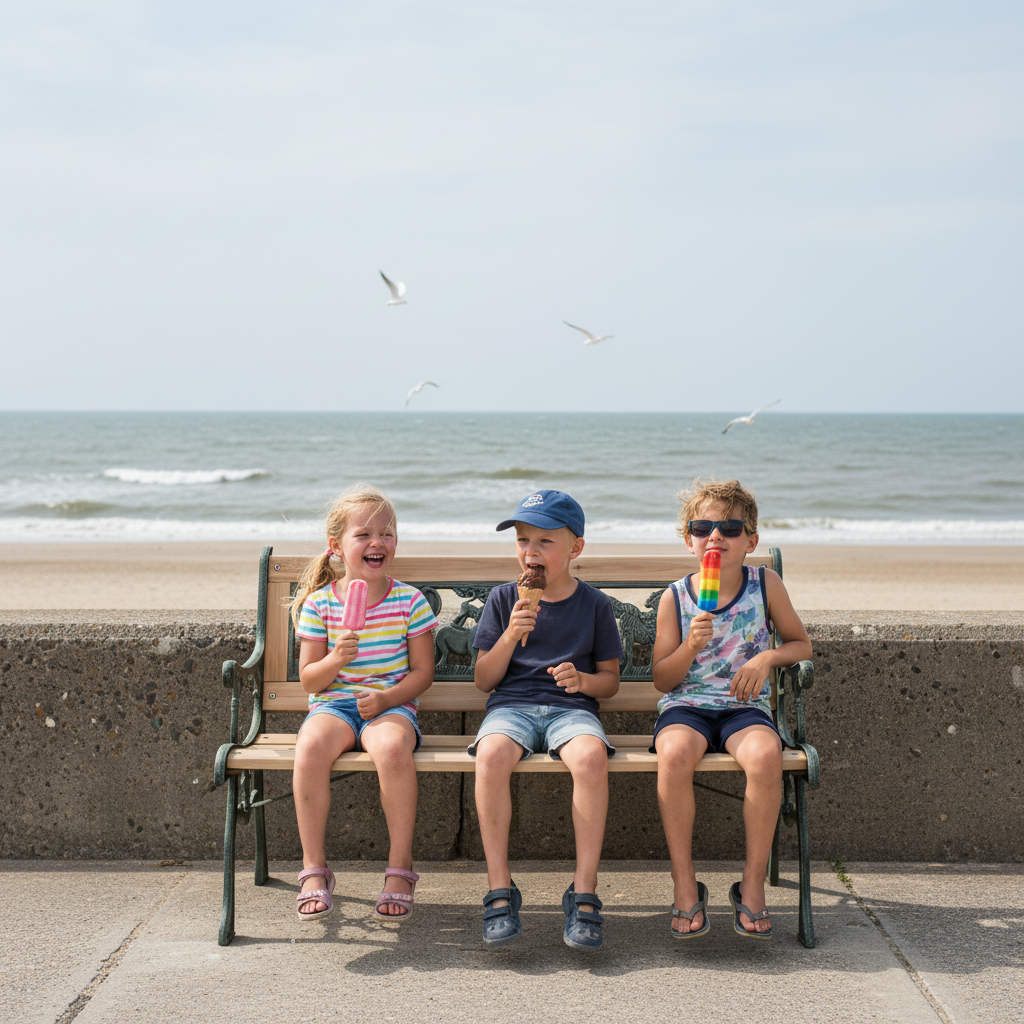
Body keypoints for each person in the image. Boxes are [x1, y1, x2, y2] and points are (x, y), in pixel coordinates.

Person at [652, 479, 811, 940]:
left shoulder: (765, 584)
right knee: (676, 754)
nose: (715, 537)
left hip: (744, 707)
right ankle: (685, 885)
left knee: (765, 757)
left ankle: (752, 885)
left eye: (730, 527)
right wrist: (689, 646)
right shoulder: (676, 597)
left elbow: (802, 645)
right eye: (703, 527)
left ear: (751, 541)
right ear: (689, 540)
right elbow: (663, 678)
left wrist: (766, 658)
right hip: (687, 704)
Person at [470, 490, 624, 950]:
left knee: (592, 758)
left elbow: (610, 681)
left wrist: (583, 681)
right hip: (511, 706)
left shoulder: (594, 605)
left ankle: (584, 891)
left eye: (544, 542)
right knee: (492, 754)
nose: (530, 553)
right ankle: (500, 889)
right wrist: (510, 636)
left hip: (570, 709)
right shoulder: (502, 600)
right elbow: (483, 679)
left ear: (575, 548)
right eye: (522, 541)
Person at [290, 485, 437, 923]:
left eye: (387, 533)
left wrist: (388, 698)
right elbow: (308, 679)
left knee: (392, 749)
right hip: (333, 706)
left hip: (392, 706)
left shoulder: (408, 601)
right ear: (336, 547)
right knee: (310, 746)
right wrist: (337, 657)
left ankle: (400, 868)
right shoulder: (320, 605)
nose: (378, 542)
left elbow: (423, 673)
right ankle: (314, 868)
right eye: (364, 534)